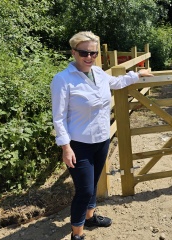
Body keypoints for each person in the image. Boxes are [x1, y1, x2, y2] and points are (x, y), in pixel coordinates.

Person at [50, 31, 153, 240]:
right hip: (79, 145)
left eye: (93, 53)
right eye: (84, 53)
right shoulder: (63, 80)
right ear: (73, 52)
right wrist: (65, 147)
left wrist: (136, 75)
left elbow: (115, 82)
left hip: (101, 139)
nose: (89, 57)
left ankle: (89, 217)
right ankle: (77, 234)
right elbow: (58, 118)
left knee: (93, 183)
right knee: (84, 190)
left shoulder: (98, 73)